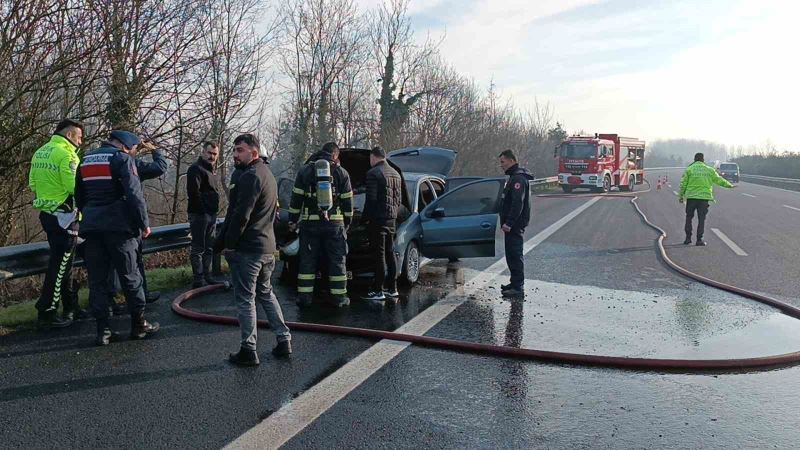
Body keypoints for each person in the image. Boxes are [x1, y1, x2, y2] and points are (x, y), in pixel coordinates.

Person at [213, 134, 291, 366]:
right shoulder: (268, 175)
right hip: (267, 248)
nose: (235, 155)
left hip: (249, 250)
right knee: (266, 293)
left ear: (254, 153)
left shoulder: (250, 176)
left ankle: (248, 349)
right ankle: (284, 339)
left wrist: (228, 244)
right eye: (234, 150)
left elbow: (240, 215)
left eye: (240, 150)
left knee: (246, 299)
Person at [76, 130, 159, 346]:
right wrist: (143, 223)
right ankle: (139, 325)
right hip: (119, 228)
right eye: (134, 148)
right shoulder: (122, 159)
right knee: (130, 277)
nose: (134, 152)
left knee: (97, 281)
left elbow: (79, 195)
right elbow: (133, 194)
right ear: (125, 145)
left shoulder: (85, 160)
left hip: (92, 228)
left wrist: (89, 216)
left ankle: (103, 331)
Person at [28, 119, 88, 329]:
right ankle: (47, 311)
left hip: (47, 214)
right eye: (79, 137)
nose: (80, 142)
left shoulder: (41, 152)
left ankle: (71, 306)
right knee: (60, 266)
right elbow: (74, 188)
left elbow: (32, 184)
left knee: (64, 265)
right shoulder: (68, 155)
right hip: (65, 217)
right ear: (69, 134)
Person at [287, 142, 353, 308]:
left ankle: (305, 298)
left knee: (307, 262)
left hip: (310, 226)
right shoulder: (342, 172)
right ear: (335, 155)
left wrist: (292, 220)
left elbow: (296, 200)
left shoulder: (305, 171)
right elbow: (348, 202)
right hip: (334, 225)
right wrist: (347, 223)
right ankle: (339, 298)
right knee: (337, 262)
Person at [107, 139, 168, 312]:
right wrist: (154, 149)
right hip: (128, 221)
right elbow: (160, 167)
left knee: (109, 264)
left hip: (104, 220)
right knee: (133, 263)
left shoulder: (101, 162)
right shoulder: (131, 163)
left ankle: (111, 301)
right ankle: (138, 300)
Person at [360, 146, 402, 301]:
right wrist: (394, 214)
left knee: (379, 255)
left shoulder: (373, 173)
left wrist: (364, 219)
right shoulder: (396, 173)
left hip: (378, 219)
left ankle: (378, 290)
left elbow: (370, 200)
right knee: (390, 253)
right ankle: (393, 288)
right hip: (392, 219)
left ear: (373, 157)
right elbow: (398, 199)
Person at [679, 152, 734, 246]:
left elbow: (683, 184)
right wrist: (729, 185)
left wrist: (681, 196)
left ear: (694, 159)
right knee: (701, 219)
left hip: (691, 198)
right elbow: (719, 180)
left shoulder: (689, 169)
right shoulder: (709, 170)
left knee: (689, 217)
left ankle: (688, 239)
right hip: (704, 199)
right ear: (703, 160)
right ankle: (699, 240)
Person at [498, 150, 534, 297]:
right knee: (511, 254)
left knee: (515, 254)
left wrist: (509, 223)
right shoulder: (514, 177)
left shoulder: (518, 179)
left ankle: (518, 287)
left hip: (515, 225)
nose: (501, 165)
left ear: (511, 161)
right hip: (513, 225)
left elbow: (517, 203)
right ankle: (514, 282)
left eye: (503, 162)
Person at [187, 141, 222, 287]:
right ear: (203, 152)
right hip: (200, 214)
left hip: (211, 214)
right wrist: (203, 211)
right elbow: (193, 193)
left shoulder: (212, 170)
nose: (212, 156)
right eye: (209, 153)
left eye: (214, 154)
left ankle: (208, 276)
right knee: (198, 248)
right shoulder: (195, 169)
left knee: (209, 248)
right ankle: (198, 279)